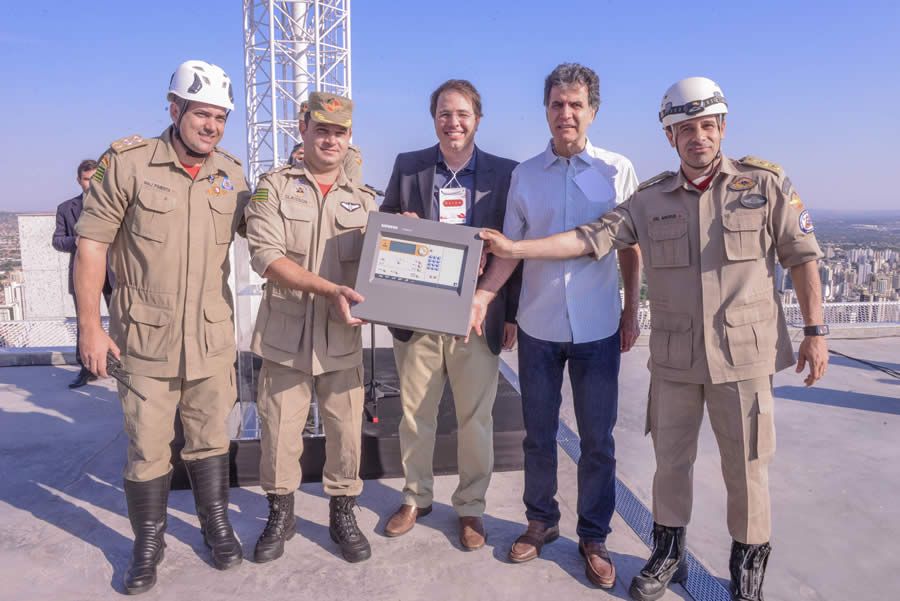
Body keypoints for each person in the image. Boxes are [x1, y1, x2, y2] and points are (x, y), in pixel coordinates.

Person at [474, 76, 829, 601]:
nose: (697, 137)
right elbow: (590, 238)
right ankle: (668, 553)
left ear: (722, 128)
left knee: (747, 467)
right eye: (685, 129)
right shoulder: (650, 198)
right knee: (671, 463)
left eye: (707, 126)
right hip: (677, 356)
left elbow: (804, 256)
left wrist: (815, 332)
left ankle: (747, 568)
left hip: (743, 358)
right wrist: (517, 249)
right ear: (670, 137)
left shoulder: (764, 186)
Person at [74, 60, 249, 594]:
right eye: (201, 114)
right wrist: (90, 327)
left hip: (211, 338)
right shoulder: (127, 163)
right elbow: (92, 245)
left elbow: (273, 232)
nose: (211, 126)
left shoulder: (232, 174)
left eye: (220, 117)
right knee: (148, 447)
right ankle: (148, 540)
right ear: (173, 109)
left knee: (210, 439)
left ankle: (215, 524)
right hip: (144, 341)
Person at [470, 63, 641, 587]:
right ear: (546, 109)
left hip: (598, 329)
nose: (565, 114)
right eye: (556, 104)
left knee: (597, 440)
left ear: (593, 110)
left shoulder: (617, 171)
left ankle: (594, 535)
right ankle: (540, 521)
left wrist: (631, 309)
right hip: (539, 326)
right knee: (538, 436)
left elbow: (630, 247)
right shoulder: (526, 175)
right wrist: (483, 297)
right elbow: (508, 253)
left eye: (575, 104)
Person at [378, 79, 520, 550]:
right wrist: (403, 225)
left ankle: (471, 508)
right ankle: (416, 497)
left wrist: (509, 312)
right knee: (415, 414)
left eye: (462, 113)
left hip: (477, 316)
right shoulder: (409, 166)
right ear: (433, 117)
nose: (452, 122)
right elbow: (384, 229)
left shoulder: (505, 173)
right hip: (420, 314)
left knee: (475, 418)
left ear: (478, 118)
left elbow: (514, 248)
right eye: (443, 113)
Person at [244, 92, 377, 564]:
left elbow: (379, 268)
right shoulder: (273, 188)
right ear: (303, 129)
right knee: (279, 431)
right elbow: (266, 256)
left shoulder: (365, 200)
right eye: (322, 129)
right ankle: (281, 512)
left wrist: (404, 238)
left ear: (349, 138)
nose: (330, 139)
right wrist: (328, 290)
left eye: (339, 132)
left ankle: (343, 511)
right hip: (286, 333)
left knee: (345, 432)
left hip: (341, 335)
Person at [52, 159, 113, 388]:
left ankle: (121, 366)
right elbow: (57, 241)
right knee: (85, 324)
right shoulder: (66, 208)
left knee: (121, 323)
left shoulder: (114, 205)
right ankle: (86, 369)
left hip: (114, 274)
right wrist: (77, 241)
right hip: (83, 276)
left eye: (96, 178)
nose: (91, 184)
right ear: (79, 181)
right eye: (87, 179)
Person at [290, 99, 364, 185]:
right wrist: (296, 165)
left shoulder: (349, 152)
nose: (302, 124)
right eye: (301, 121)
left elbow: (353, 187)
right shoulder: (297, 150)